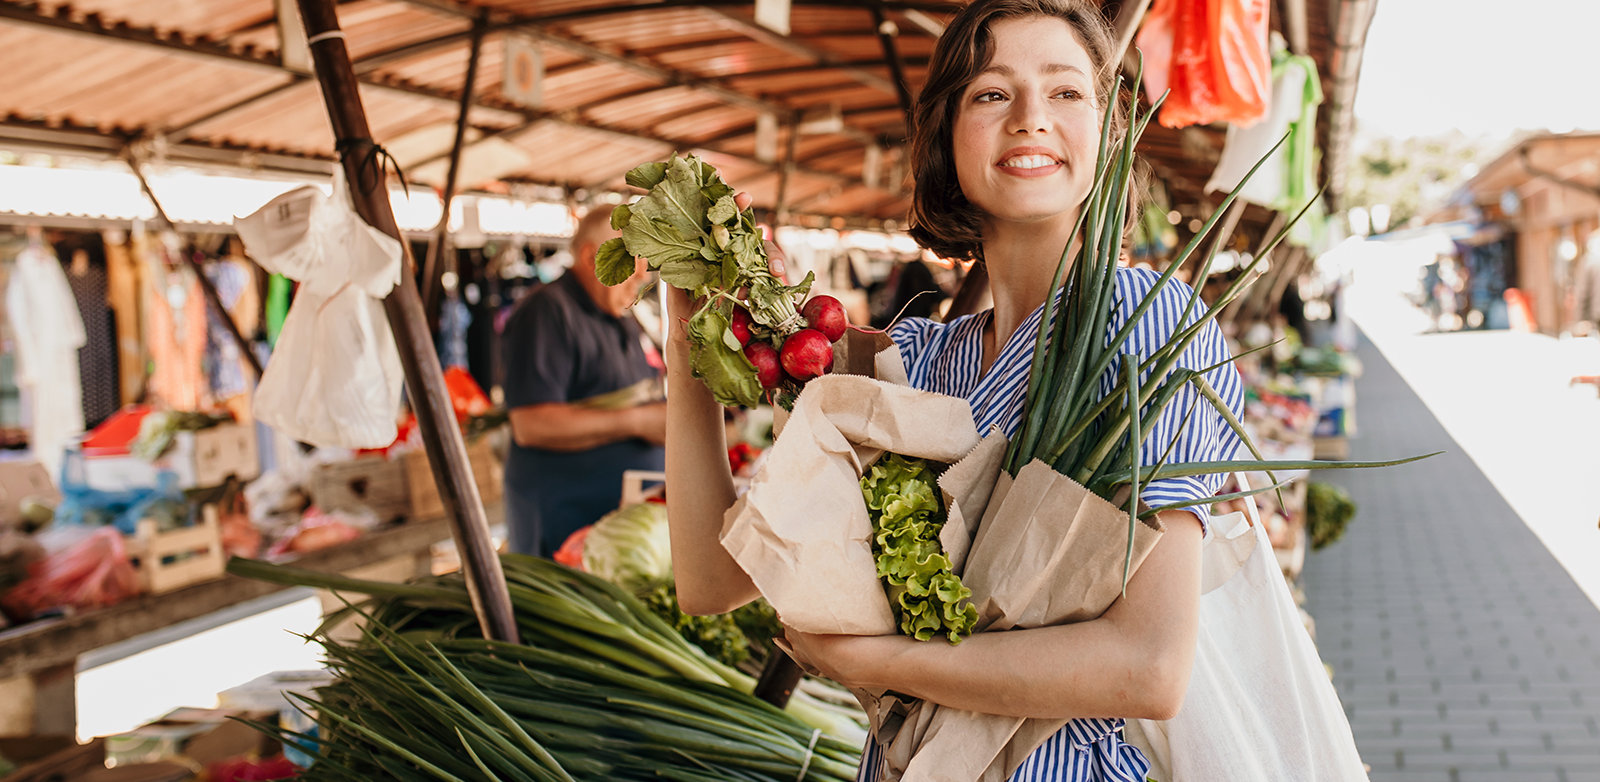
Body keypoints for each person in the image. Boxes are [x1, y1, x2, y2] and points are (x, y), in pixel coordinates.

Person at [663, 1, 1244, 780]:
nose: (1032, 117)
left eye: (1067, 92)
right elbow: (710, 579)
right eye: (992, 94)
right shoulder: (917, 359)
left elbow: (1146, 666)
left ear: (1108, 134)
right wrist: (685, 350)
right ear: (946, 137)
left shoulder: (1148, 323)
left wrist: (881, 662)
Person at [500, 207, 666, 557]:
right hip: (563, 522)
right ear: (592, 256)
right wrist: (637, 422)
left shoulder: (618, 313)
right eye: (631, 265)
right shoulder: (546, 311)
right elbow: (530, 424)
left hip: (613, 525)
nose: (640, 277)